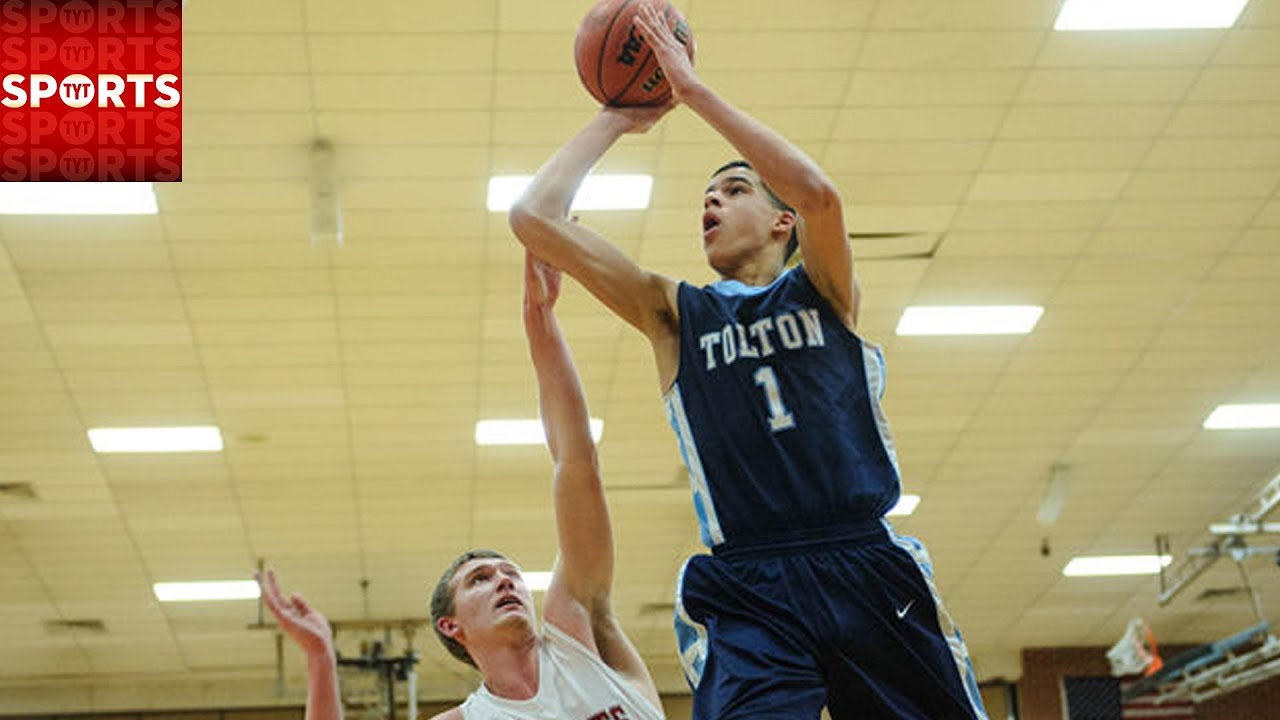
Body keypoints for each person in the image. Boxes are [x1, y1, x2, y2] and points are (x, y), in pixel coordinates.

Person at [507, 6, 987, 720]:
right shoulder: (673, 313)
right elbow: (532, 217)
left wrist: (692, 90)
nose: (711, 200)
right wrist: (623, 114)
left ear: (780, 221)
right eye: (707, 194)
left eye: (734, 191)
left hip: (862, 556)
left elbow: (822, 194)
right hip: (749, 577)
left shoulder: (825, 293)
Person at [256, 253, 665, 720]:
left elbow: (576, 462)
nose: (504, 580)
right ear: (451, 626)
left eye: (508, 572)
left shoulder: (578, 634)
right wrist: (319, 659)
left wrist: (539, 317)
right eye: (480, 580)